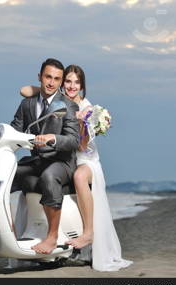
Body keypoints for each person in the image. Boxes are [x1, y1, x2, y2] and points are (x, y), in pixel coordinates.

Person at [20, 64, 132, 271]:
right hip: (65, 158)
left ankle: (88, 232)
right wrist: (44, 88)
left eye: (76, 82)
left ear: (82, 86)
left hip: (86, 160)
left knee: (80, 176)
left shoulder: (89, 108)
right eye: (68, 81)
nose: (72, 86)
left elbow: (81, 146)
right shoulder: (58, 99)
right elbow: (24, 91)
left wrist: (82, 121)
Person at [10, 58, 80, 254]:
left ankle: (52, 237)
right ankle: (8, 232)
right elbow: (15, 129)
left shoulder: (68, 106)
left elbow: (73, 141)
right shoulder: (27, 104)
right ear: (39, 77)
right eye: (48, 77)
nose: (51, 82)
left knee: (49, 176)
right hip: (37, 160)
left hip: (62, 162)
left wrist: (53, 139)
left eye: (57, 79)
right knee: (6, 174)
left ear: (60, 82)